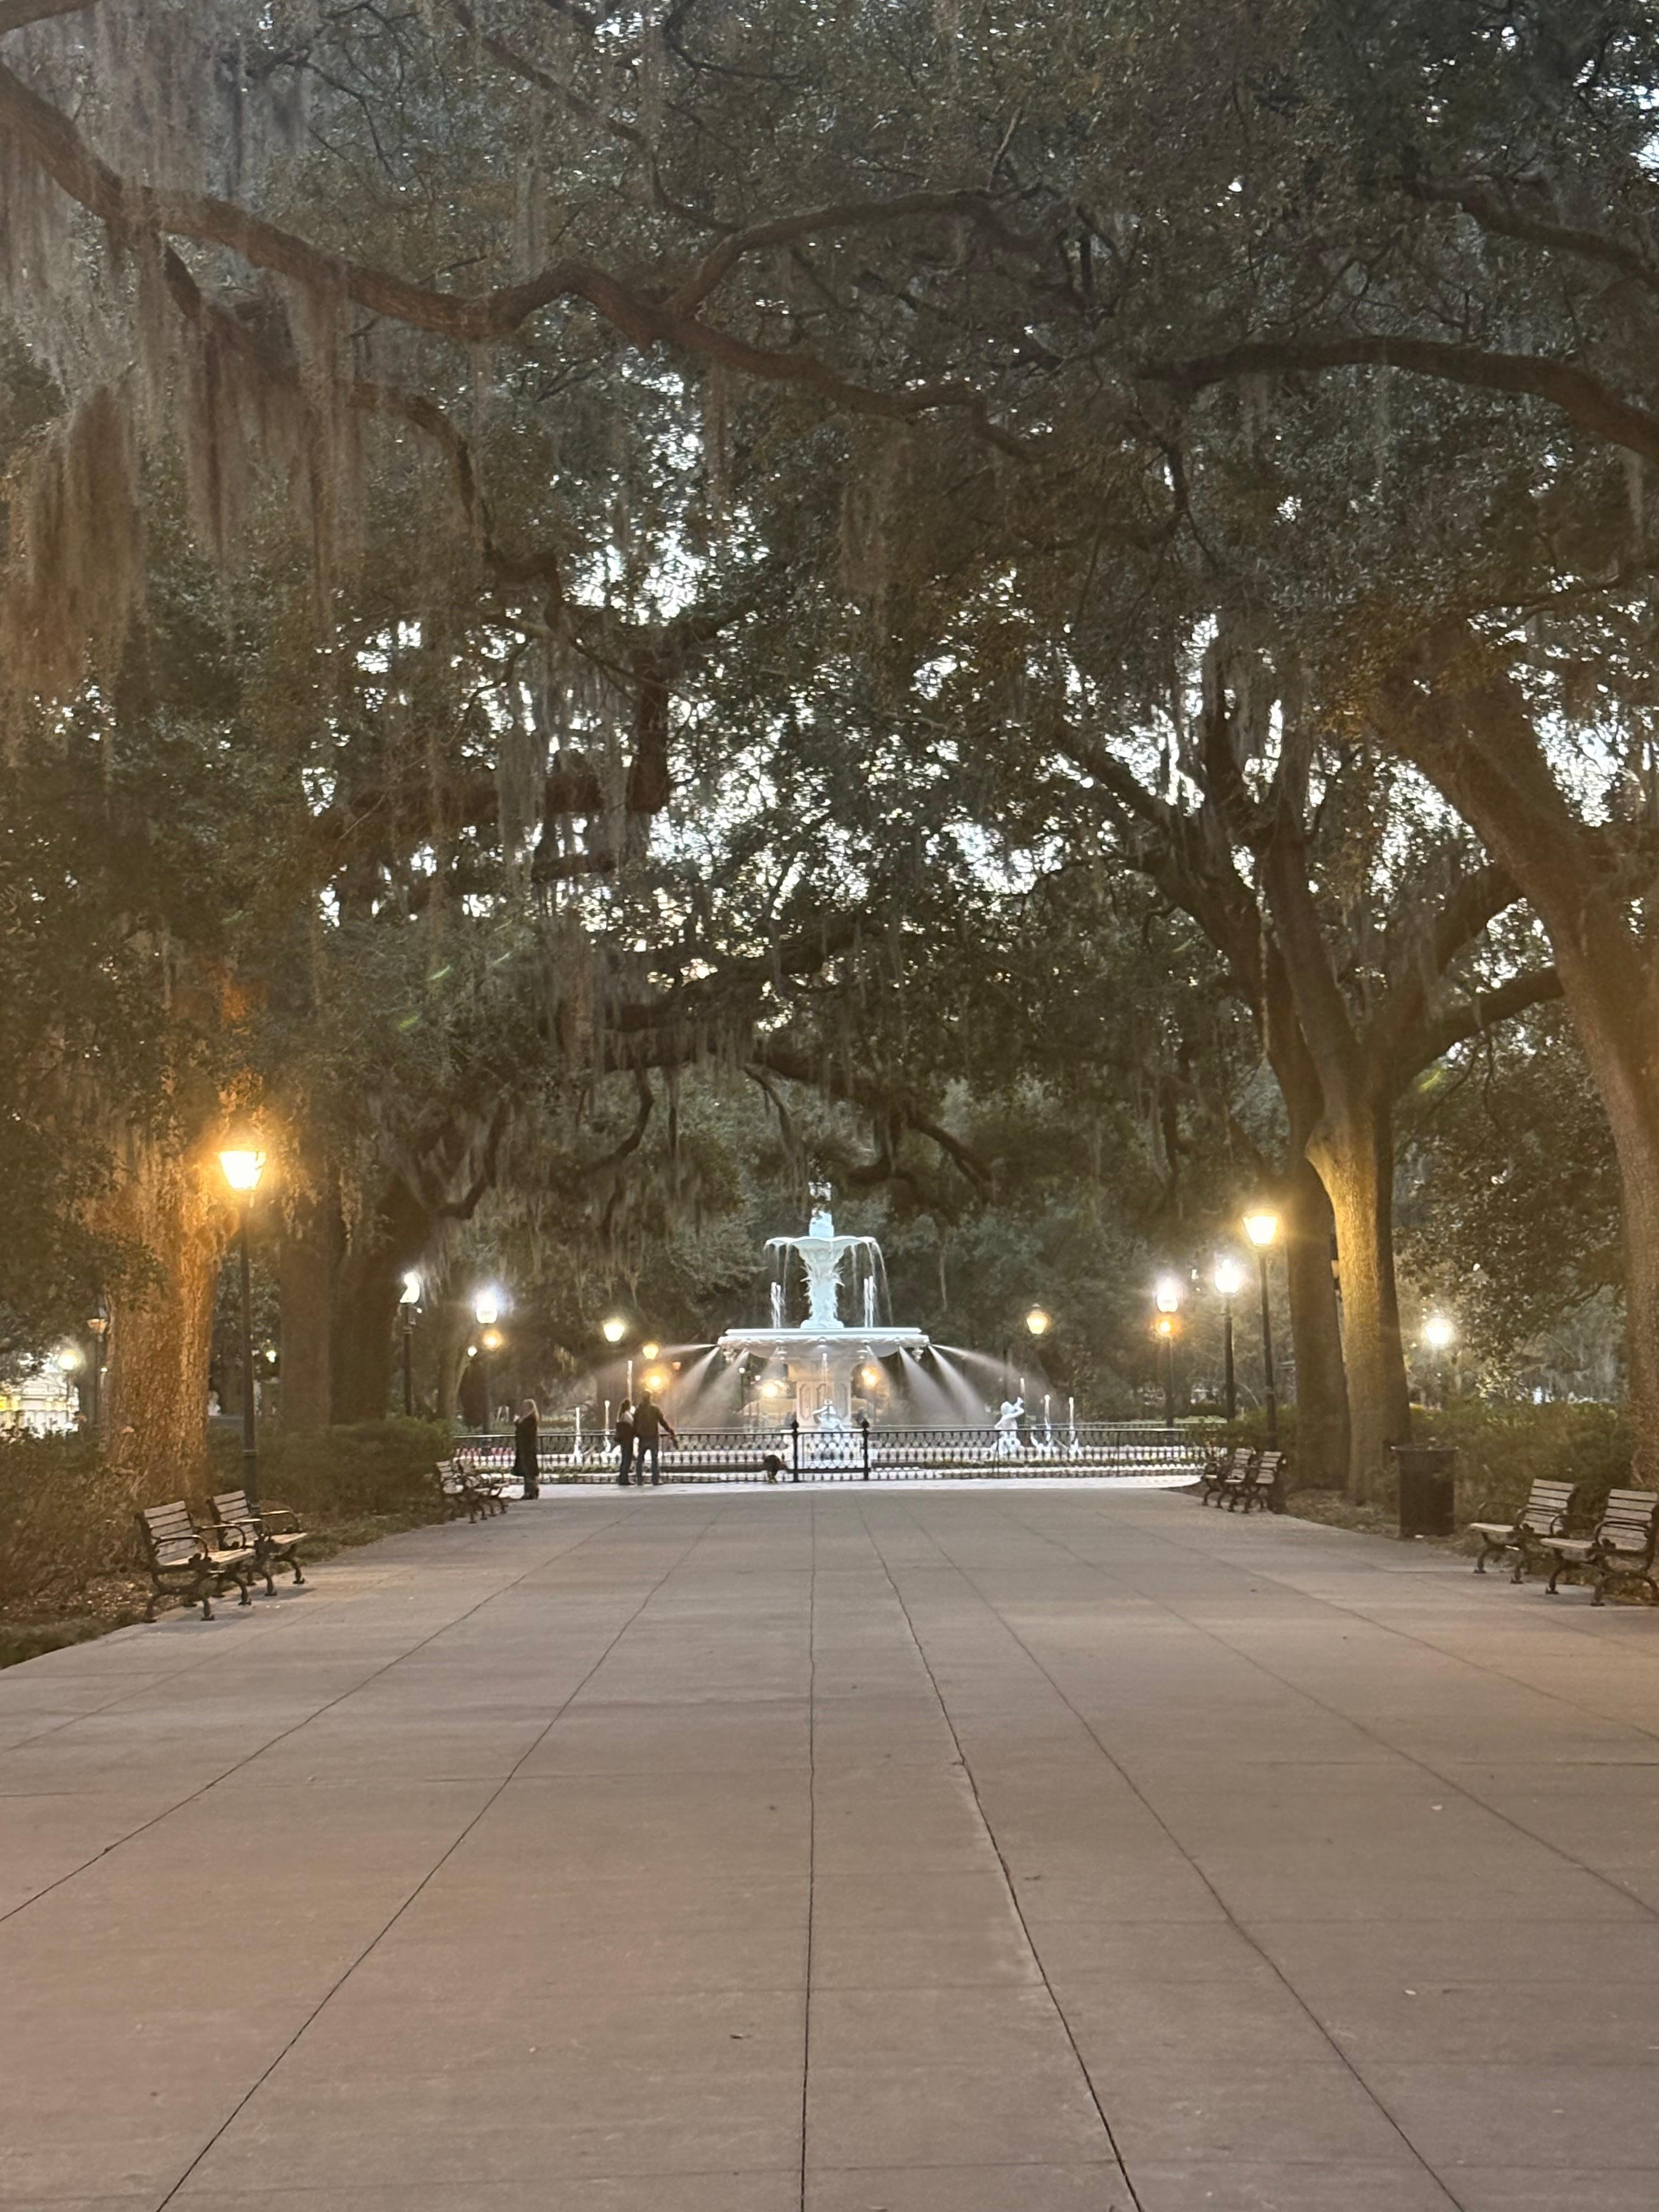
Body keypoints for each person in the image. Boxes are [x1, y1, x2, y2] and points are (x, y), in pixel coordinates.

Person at [632, 1390, 678, 1486]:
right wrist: (671, 1431)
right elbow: (663, 1422)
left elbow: (635, 1424)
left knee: (640, 1459)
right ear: (650, 1398)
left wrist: (637, 1434)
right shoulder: (655, 1409)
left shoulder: (638, 1410)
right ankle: (655, 1480)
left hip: (643, 1437)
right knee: (654, 1460)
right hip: (653, 1437)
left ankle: (639, 1480)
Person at [513, 1399, 540, 1499]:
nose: (523, 1408)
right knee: (526, 1471)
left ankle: (531, 1491)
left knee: (529, 1470)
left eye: (525, 1406)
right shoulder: (526, 1418)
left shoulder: (530, 1419)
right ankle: (531, 1490)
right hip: (524, 1448)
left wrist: (518, 1422)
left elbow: (525, 1431)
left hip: (528, 1448)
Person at [614, 1399, 636, 1488]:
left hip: (624, 1439)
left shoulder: (622, 1415)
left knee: (625, 1458)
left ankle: (622, 1477)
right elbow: (632, 1424)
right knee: (627, 1458)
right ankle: (624, 1478)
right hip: (627, 1439)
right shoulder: (626, 1415)